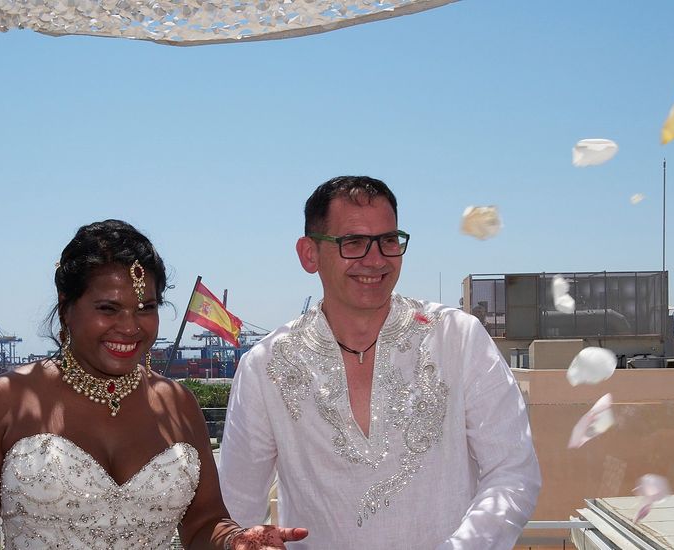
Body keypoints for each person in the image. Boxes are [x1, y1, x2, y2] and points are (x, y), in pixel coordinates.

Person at [0, 220, 307, 549]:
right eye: (108, 309)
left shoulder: (178, 404)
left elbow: (203, 525)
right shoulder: (8, 400)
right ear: (66, 306)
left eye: (146, 308)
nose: (131, 326)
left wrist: (235, 541)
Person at [219, 176, 541, 549]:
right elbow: (236, 508)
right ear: (309, 254)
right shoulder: (266, 367)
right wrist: (239, 541)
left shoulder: (458, 338)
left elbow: (513, 471)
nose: (375, 260)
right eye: (353, 242)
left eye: (388, 241)